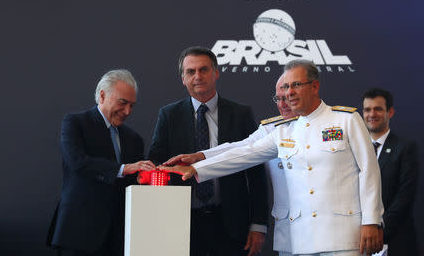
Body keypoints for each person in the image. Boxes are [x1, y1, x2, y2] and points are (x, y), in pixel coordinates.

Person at [162, 60, 384, 256]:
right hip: (300, 239)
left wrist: (372, 220)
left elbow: (369, 171)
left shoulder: (346, 120)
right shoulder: (283, 131)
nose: (288, 94)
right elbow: (243, 152)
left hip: (343, 237)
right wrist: (198, 167)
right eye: (285, 88)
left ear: (314, 86)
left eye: (295, 85)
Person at [148, 46, 268, 256]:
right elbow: (157, 164)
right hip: (182, 221)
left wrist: (258, 225)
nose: (197, 76)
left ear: (216, 73)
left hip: (232, 222)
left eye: (203, 70)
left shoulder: (241, 114)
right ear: (183, 79)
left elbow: (256, 172)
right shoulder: (169, 115)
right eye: (190, 72)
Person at [170, 73, 298, 256]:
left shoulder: (341, 121)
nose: (282, 104)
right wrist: (199, 159)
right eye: (279, 98)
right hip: (293, 234)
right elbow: (241, 150)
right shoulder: (273, 130)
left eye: (289, 97)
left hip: (335, 233)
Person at [46, 69, 155, 256]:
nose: (127, 111)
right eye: (123, 103)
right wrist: (124, 168)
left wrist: (143, 178)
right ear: (103, 95)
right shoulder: (75, 123)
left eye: (132, 105)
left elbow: (128, 183)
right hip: (79, 233)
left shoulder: (134, 139)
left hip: (119, 237)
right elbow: (79, 163)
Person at [362, 88, 418, 256]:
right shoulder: (355, 149)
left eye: (378, 109)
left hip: (395, 240)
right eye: (367, 109)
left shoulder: (406, 148)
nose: (372, 114)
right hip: (359, 240)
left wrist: (378, 228)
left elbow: (404, 196)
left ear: (390, 112)